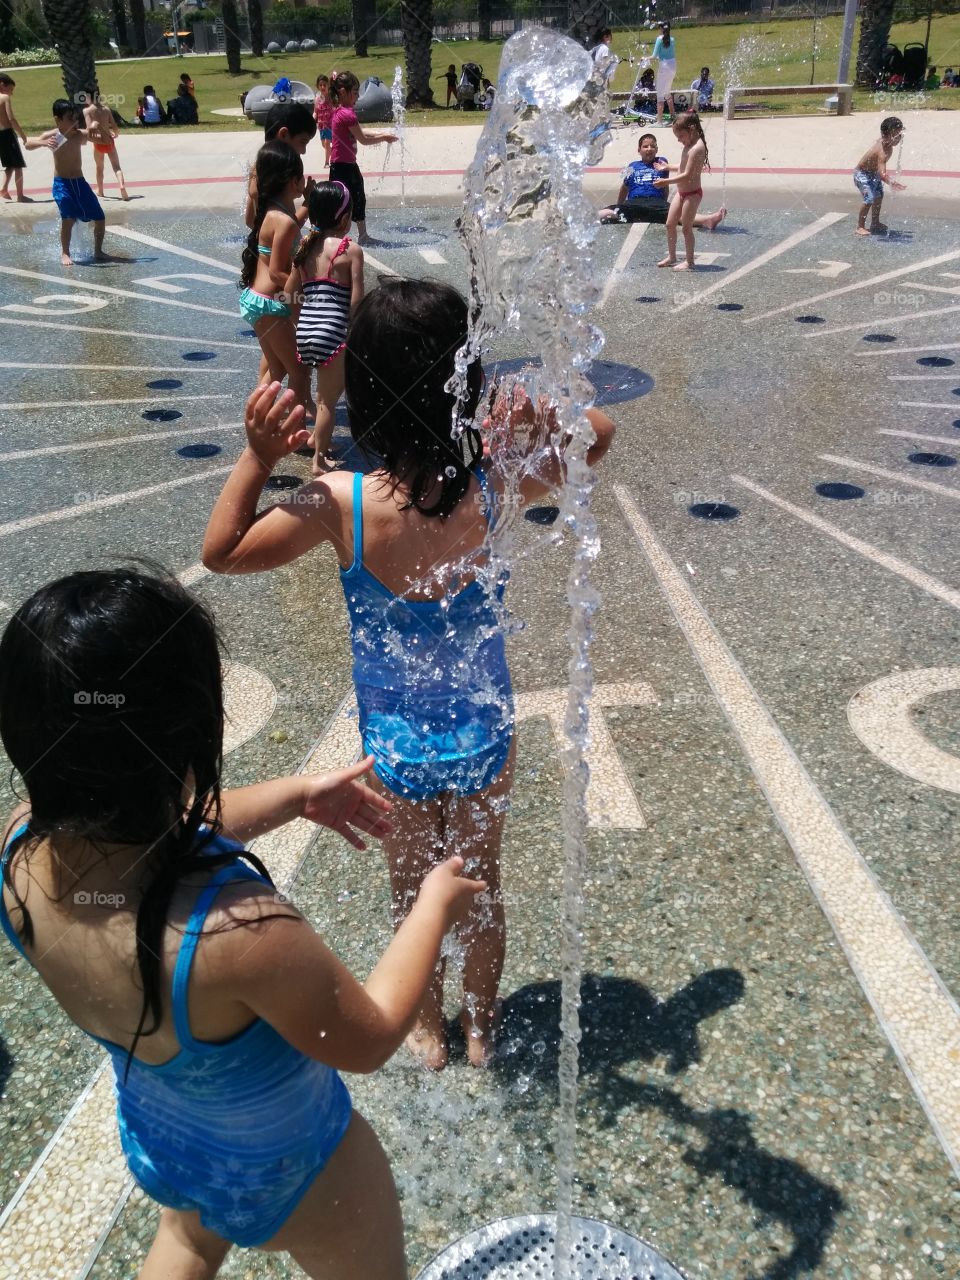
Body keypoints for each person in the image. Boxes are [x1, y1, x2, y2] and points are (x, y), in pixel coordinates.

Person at [0, 565, 487, 1279]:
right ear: (192, 732)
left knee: (189, 1241)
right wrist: (431, 905)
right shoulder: (240, 935)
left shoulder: (21, 851)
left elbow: (131, 840)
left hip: (167, 1141)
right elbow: (373, 1035)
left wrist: (292, 798)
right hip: (296, 1173)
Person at [203, 279, 616, 1071]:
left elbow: (222, 552)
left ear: (364, 394)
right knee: (481, 882)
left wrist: (258, 458)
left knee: (413, 894)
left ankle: (426, 1033)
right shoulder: (496, 487)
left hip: (393, 745)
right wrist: (534, 414)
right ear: (466, 384)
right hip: (485, 734)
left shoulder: (341, 503)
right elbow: (599, 436)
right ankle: (485, 1029)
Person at [287, 180, 364, 473]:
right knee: (327, 402)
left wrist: (302, 321)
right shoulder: (350, 249)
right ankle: (319, 461)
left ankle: (319, 440)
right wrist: (353, 330)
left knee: (320, 396)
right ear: (344, 218)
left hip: (306, 332)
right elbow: (356, 299)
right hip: (334, 333)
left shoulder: (305, 250)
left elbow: (289, 294)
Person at [240, 140, 312, 415]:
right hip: (271, 305)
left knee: (278, 367)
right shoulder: (284, 220)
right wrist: (306, 294)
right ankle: (297, 433)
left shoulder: (272, 212)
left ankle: (257, 414)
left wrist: (307, 204)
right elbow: (277, 271)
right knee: (299, 369)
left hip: (257, 300)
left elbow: (294, 223)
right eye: (301, 177)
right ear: (293, 181)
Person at [23, 100, 112, 266]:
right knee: (68, 218)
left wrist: (98, 128)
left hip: (80, 183)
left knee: (99, 217)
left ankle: (98, 251)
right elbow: (27, 144)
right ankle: (65, 252)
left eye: (76, 118)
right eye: (70, 119)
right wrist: (43, 143)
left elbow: (106, 141)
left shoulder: (79, 135)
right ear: (58, 120)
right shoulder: (53, 136)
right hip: (62, 184)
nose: (75, 122)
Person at [599, 131, 724, 229]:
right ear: (639, 150)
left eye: (652, 146)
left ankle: (707, 220)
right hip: (634, 203)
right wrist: (620, 205)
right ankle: (586, 221)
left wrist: (663, 203)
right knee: (607, 212)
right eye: (645, 146)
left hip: (656, 203)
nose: (649, 149)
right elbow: (624, 188)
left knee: (677, 215)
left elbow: (665, 187)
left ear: (657, 150)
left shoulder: (661, 161)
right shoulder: (631, 165)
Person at [328, 70, 396, 246]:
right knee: (354, 198)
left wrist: (381, 132)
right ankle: (360, 236)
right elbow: (363, 140)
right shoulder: (347, 114)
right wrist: (384, 138)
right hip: (345, 166)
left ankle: (339, 235)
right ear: (343, 92)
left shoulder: (339, 111)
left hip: (340, 164)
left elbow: (360, 131)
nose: (358, 96)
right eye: (355, 92)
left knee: (342, 199)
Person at [244, 101, 317, 230]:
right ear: (283, 134)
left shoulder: (258, 168)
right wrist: (309, 203)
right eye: (303, 141)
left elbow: (251, 222)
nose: (304, 151)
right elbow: (288, 229)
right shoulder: (281, 172)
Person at [653, 111, 710, 269]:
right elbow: (683, 166)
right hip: (681, 193)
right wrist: (668, 167)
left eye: (680, 136)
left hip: (692, 194)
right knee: (670, 224)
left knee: (686, 228)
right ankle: (672, 257)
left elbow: (687, 175)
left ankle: (689, 261)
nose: (679, 140)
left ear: (691, 129)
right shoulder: (689, 144)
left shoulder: (697, 148)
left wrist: (666, 181)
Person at [853, 116, 906, 236]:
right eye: (896, 136)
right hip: (862, 174)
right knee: (869, 199)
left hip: (872, 174)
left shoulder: (886, 143)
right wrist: (892, 183)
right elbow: (882, 175)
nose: (899, 138)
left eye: (900, 135)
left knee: (879, 196)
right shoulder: (883, 151)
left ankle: (875, 222)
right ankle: (860, 227)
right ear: (885, 136)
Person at [82, 88, 130, 199]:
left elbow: (90, 129)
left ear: (90, 97)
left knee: (99, 167)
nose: (85, 99)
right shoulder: (106, 109)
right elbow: (114, 126)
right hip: (109, 140)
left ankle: (100, 190)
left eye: (85, 97)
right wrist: (115, 133)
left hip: (98, 142)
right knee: (116, 167)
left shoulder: (87, 111)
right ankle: (121, 186)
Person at [0, 74, 29, 202]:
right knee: (18, 166)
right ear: (2, 85)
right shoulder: (4, 97)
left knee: (9, 165)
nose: (11, 93)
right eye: (11, 89)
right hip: (7, 134)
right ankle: (20, 195)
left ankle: (4, 189)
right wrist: (23, 135)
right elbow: (11, 119)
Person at [652, 22, 677, 127]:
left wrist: (644, 58)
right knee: (667, 92)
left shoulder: (659, 39)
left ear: (661, 29)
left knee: (660, 95)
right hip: (673, 66)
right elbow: (668, 52)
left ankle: (659, 122)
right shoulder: (672, 39)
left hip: (664, 67)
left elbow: (654, 56)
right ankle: (673, 116)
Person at [314, 75, 333, 166]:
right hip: (321, 126)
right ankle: (336, 153)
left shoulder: (331, 98)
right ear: (318, 86)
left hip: (330, 125)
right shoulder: (317, 99)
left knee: (327, 143)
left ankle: (326, 162)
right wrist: (313, 119)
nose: (322, 87)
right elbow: (315, 112)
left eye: (324, 85)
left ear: (328, 85)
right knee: (324, 145)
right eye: (320, 85)